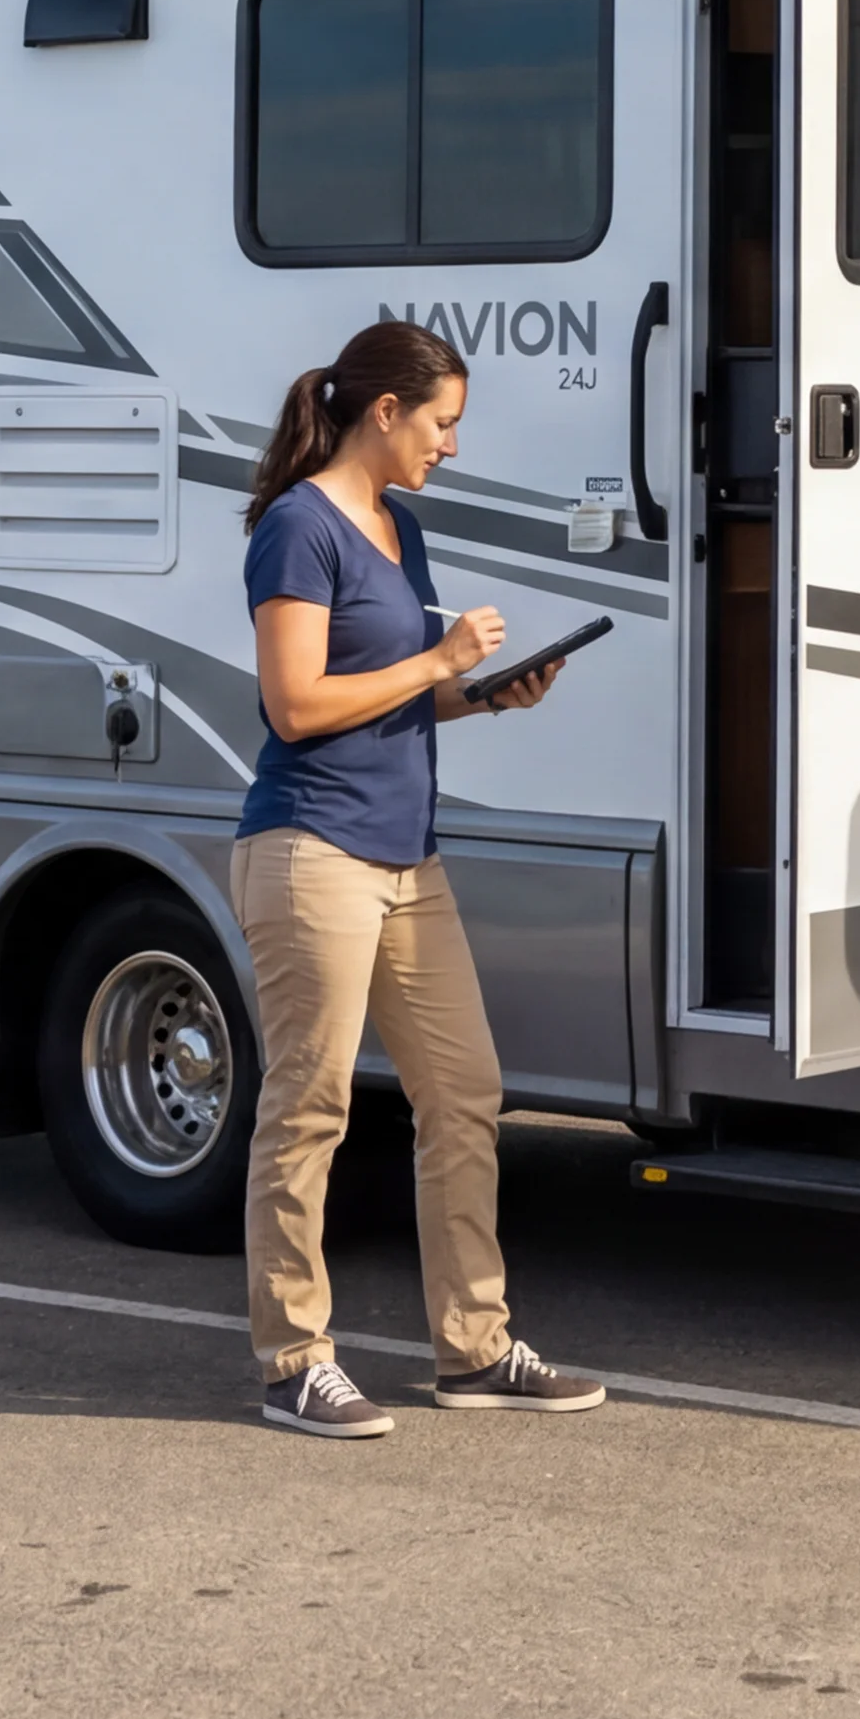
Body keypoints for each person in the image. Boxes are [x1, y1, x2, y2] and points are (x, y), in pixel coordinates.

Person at [232, 316, 607, 1438]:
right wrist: (439, 661)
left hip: (405, 856)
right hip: (311, 851)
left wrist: (482, 693)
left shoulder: (398, 528)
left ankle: (473, 1350)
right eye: (441, 423)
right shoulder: (298, 528)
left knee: (465, 1092)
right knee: (309, 1107)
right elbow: (294, 706)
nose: (450, 444)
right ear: (382, 413)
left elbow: (392, 690)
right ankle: (292, 1358)